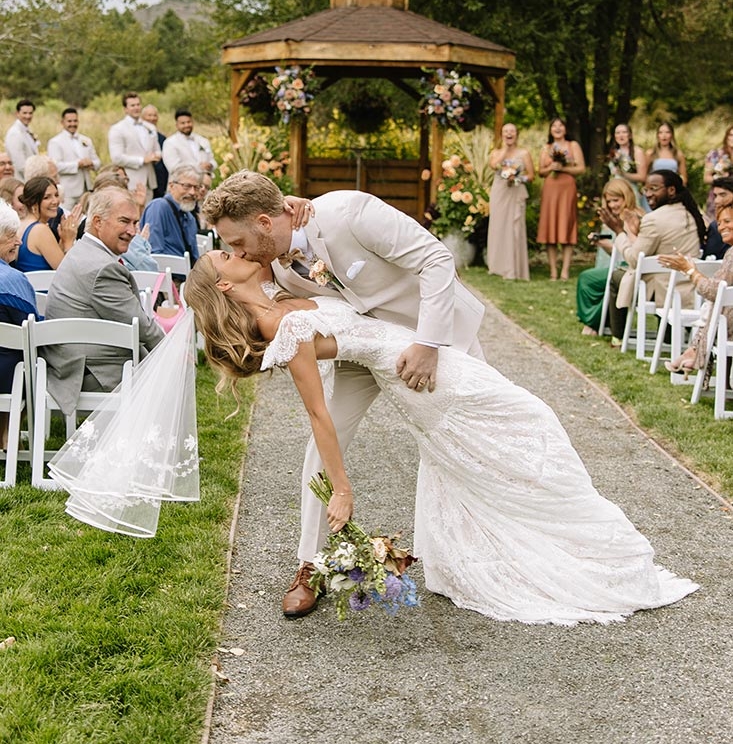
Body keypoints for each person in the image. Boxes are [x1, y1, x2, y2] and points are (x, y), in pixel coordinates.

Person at [183, 248, 698, 625]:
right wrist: (342, 487)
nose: (236, 251)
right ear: (224, 285)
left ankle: (565, 532)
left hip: (428, 359)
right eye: (225, 255)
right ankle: (575, 540)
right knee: (529, 421)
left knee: (524, 427)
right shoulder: (280, 327)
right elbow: (317, 415)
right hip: (423, 382)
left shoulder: (282, 289)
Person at [201, 170, 486, 618]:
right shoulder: (269, 259)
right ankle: (310, 565)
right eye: (231, 248)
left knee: (468, 441)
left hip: (434, 337)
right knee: (321, 447)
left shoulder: (350, 212)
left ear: (262, 221)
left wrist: (428, 343)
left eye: (237, 242)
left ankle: (476, 549)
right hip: (361, 350)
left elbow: (436, 260)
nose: (236, 252)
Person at [42, 187, 165, 416]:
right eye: (124, 221)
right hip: (90, 374)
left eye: (135, 223)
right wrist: (172, 352)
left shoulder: (82, 251)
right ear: (97, 221)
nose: (132, 231)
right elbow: (141, 327)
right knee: (166, 376)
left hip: (70, 363)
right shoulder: (102, 267)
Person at [600, 170, 705, 345]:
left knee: (617, 276)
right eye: (646, 189)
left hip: (664, 289)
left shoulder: (654, 219)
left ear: (671, 190)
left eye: (654, 188)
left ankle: (618, 336)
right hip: (689, 287)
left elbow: (634, 259)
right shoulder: (691, 213)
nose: (648, 194)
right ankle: (668, 337)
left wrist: (619, 232)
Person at [658, 204, 733, 376]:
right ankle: (693, 352)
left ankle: (694, 351)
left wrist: (690, 271)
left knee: (717, 309)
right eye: (719, 223)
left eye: (727, 221)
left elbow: (714, 291)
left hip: (728, 329)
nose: (721, 227)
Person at [576, 178, 642, 335]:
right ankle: (595, 321)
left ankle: (593, 322)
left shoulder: (632, 217)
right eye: (609, 201)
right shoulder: (614, 216)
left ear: (626, 197)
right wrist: (602, 244)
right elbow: (617, 252)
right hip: (620, 265)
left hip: (631, 269)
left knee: (587, 279)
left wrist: (608, 245)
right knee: (592, 279)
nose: (612, 205)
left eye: (616, 200)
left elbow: (632, 252)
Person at [0, 202, 40, 449]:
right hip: (6, 380)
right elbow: (35, 331)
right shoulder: (12, 281)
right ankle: (6, 437)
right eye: (11, 235)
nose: (20, 242)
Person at [536, 117, 586, 280]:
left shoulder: (573, 145)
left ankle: (565, 270)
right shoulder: (546, 148)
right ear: (550, 130)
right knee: (551, 227)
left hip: (567, 188)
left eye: (560, 125)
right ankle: (553, 270)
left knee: (566, 224)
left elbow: (581, 168)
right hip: (551, 189)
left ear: (565, 129)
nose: (557, 128)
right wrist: (551, 167)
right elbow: (541, 172)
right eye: (554, 126)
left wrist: (563, 168)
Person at [486, 122, 534, 281]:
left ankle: (514, 269)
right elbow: (493, 165)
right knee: (498, 228)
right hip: (500, 192)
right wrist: (505, 150)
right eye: (505, 131)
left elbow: (531, 176)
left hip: (516, 192)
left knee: (515, 229)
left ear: (517, 134)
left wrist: (518, 178)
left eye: (512, 131)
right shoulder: (496, 153)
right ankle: (497, 267)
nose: (509, 134)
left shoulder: (524, 153)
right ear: (501, 134)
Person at [15, 177, 81, 272]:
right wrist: (69, 241)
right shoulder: (40, 230)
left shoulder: (22, 223)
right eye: (47, 197)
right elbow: (67, 273)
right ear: (33, 202)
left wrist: (63, 240)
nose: (55, 201)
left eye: (56, 195)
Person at [108, 93, 162, 205]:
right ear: (125, 109)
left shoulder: (150, 127)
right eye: (132, 105)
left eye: (138, 104)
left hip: (149, 180)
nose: (136, 107)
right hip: (131, 180)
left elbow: (157, 149)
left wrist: (157, 155)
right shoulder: (117, 129)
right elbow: (116, 158)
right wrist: (142, 160)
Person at [140, 165, 200, 265]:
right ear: (171, 186)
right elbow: (154, 253)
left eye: (196, 187)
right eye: (187, 186)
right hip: (164, 276)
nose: (192, 192)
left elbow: (195, 257)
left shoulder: (190, 218)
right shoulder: (158, 207)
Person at [47, 107, 101, 210]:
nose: (73, 124)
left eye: (75, 121)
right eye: (69, 121)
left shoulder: (86, 140)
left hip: (87, 189)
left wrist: (91, 163)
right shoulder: (55, 142)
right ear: (62, 122)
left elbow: (98, 162)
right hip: (68, 190)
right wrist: (77, 164)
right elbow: (56, 166)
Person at [161, 109, 216, 178]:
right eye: (183, 123)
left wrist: (210, 165)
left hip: (205, 184)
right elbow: (173, 167)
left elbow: (212, 160)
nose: (186, 125)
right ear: (177, 125)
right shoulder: (169, 143)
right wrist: (198, 167)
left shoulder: (203, 140)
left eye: (189, 122)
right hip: (182, 185)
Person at [606, 123, 647, 204]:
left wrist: (624, 174)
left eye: (624, 132)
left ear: (630, 135)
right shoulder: (614, 153)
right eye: (618, 133)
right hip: (615, 191)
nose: (621, 135)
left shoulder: (637, 152)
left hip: (630, 190)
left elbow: (642, 177)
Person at [4, 99, 39, 181]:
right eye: (25, 113)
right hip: (21, 180)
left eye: (30, 113)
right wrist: (37, 179)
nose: (28, 116)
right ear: (17, 113)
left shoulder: (26, 130)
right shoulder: (14, 133)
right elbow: (20, 164)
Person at [703, 125, 733, 218]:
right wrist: (720, 178)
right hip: (718, 197)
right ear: (726, 137)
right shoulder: (715, 155)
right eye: (731, 135)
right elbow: (706, 178)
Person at [141, 104, 168, 199]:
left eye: (155, 115)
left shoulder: (163, 138)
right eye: (149, 115)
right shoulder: (138, 136)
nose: (152, 118)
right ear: (142, 117)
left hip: (160, 180)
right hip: (143, 179)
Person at [702, 177, 733, 259]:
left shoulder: (715, 227)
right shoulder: (715, 226)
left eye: (723, 195)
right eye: (715, 196)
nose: (717, 201)